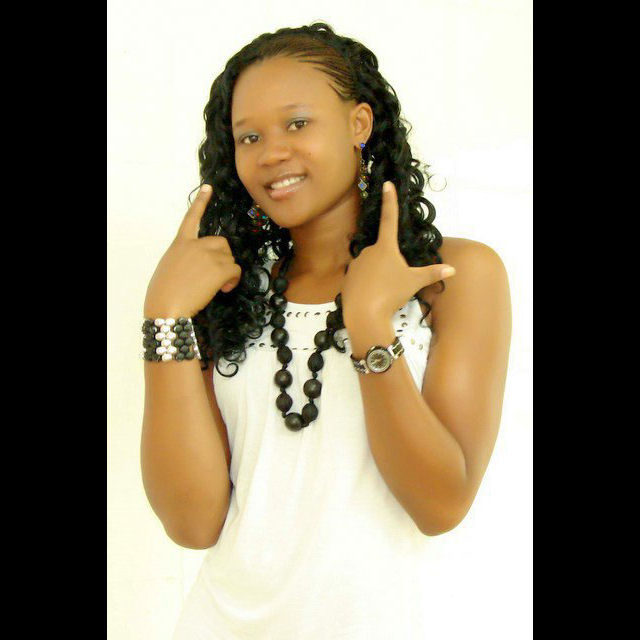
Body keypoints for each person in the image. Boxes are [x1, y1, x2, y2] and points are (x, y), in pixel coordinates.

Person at [141, 22, 511, 639]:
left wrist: (368, 324)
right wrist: (164, 320)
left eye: (297, 123)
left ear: (358, 123)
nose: (271, 152)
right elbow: (193, 525)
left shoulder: (452, 276)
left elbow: (440, 504)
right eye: (249, 136)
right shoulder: (227, 290)